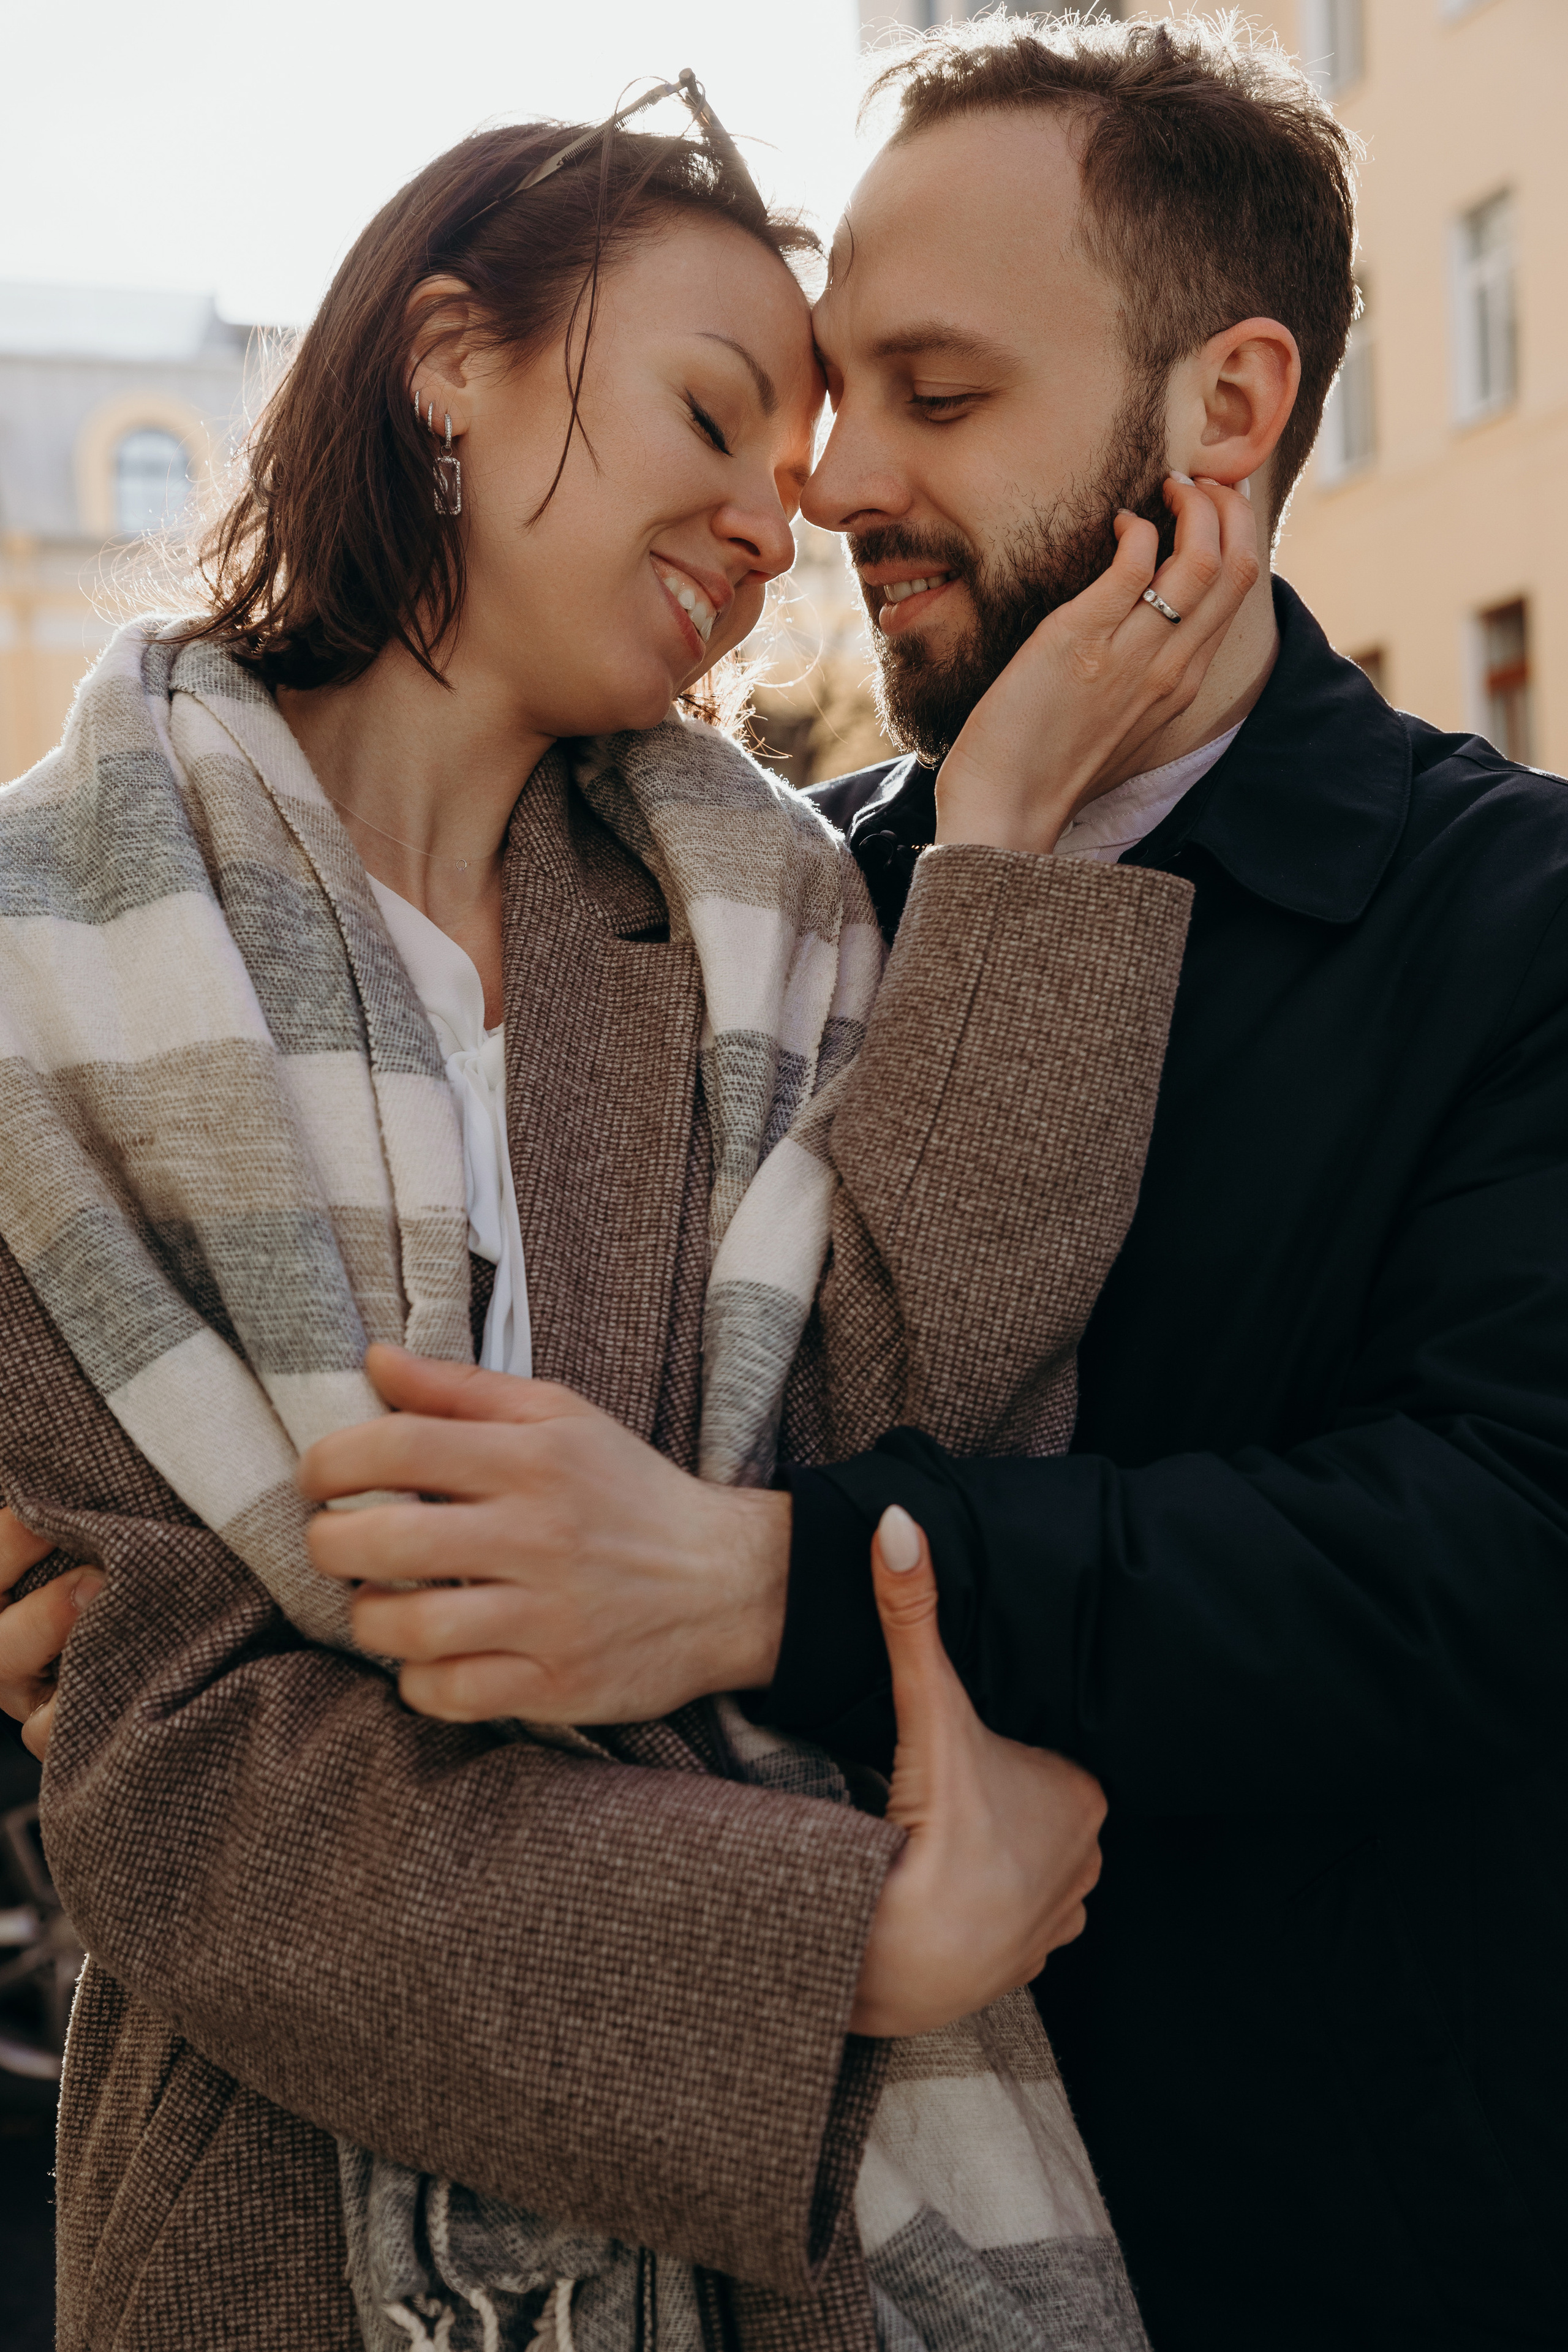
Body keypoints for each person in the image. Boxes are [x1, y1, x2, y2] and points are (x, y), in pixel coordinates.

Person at [268, 20, 1568, 2352]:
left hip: (1324, 2258)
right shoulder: (759, 907)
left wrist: (779, 1584)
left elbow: (1499, 1548)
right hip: (780, 2262)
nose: (833, 485)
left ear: (1228, 411)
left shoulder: (1515, 917)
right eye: (822, 399)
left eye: (937, 396)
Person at [0, 71, 1257, 2352]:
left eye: (794, 476)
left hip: (792, 2261)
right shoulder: (52, 958)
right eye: (709, 413)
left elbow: (918, 1425)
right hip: (268, 2221)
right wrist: (831, 1946)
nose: (774, 530)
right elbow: (166, 1756)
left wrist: (1002, 853)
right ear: (447, 360)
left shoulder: (767, 917)